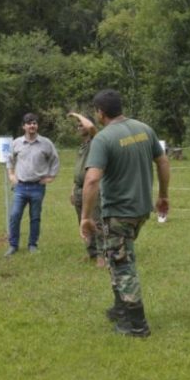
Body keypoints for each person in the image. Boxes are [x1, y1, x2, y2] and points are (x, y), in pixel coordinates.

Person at [80, 89, 170, 337]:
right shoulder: (144, 129)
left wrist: (86, 217)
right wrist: (163, 195)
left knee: (122, 264)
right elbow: (162, 161)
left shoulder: (104, 138)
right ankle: (120, 308)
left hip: (118, 212)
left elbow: (91, 180)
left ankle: (137, 324)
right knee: (117, 255)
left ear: (100, 112)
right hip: (141, 209)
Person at [5, 113, 60, 256]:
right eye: (29, 123)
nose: (32, 126)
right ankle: (13, 245)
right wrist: (11, 174)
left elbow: (55, 160)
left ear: (37, 126)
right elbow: (9, 159)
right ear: (24, 126)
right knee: (15, 215)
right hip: (20, 187)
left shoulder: (46, 143)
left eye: (34, 123)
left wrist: (51, 177)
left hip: (38, 187)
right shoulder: (16, 143)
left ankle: (32, 245)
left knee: (35, 217)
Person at [68, 112, 106, 268]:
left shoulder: (96, 142)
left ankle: (102, 256)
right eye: (77, 124)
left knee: (96, 221)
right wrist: (73, 189)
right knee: (83, 222)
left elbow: (91, 127)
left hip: (92, 188)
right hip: (79, 189)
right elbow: (79, 170)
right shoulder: (82, 146)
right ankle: (91, 253)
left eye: (81, 123)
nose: (79, 126)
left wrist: (77, 114)